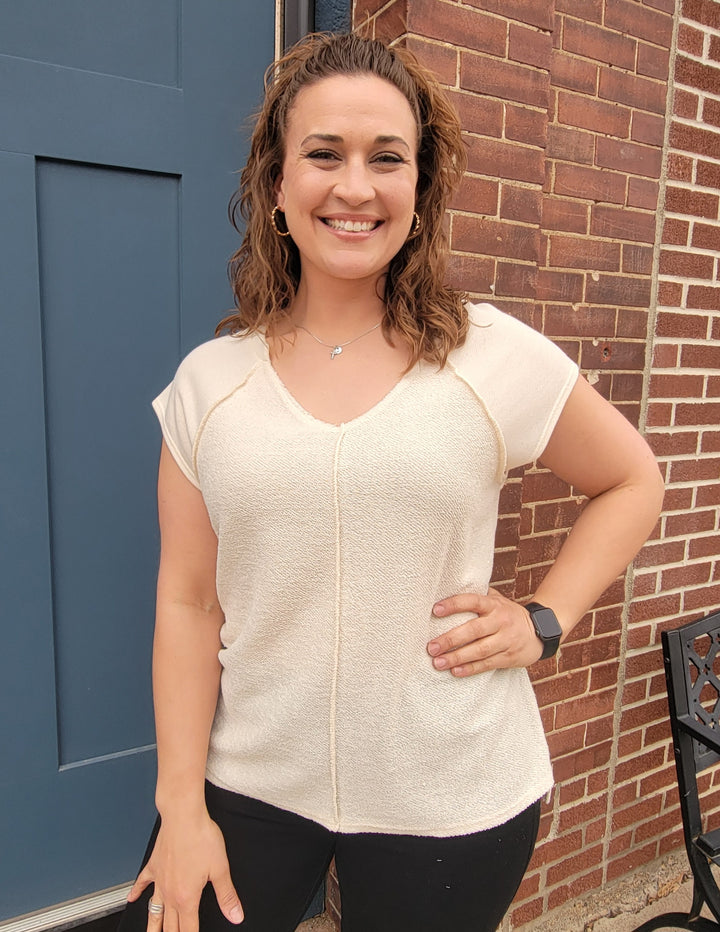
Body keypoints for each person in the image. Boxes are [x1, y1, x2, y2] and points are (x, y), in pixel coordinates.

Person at [119, 32, 664, 932]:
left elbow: (633, 480)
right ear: (276, 184)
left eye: (387, 158)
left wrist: (545, 619)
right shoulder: (209, 386)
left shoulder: (491, 356)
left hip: (449, 790)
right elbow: (187, 600)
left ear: (420, 186)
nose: (355, 186)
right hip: (251, 778)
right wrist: (180, 803)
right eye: (323, 154)